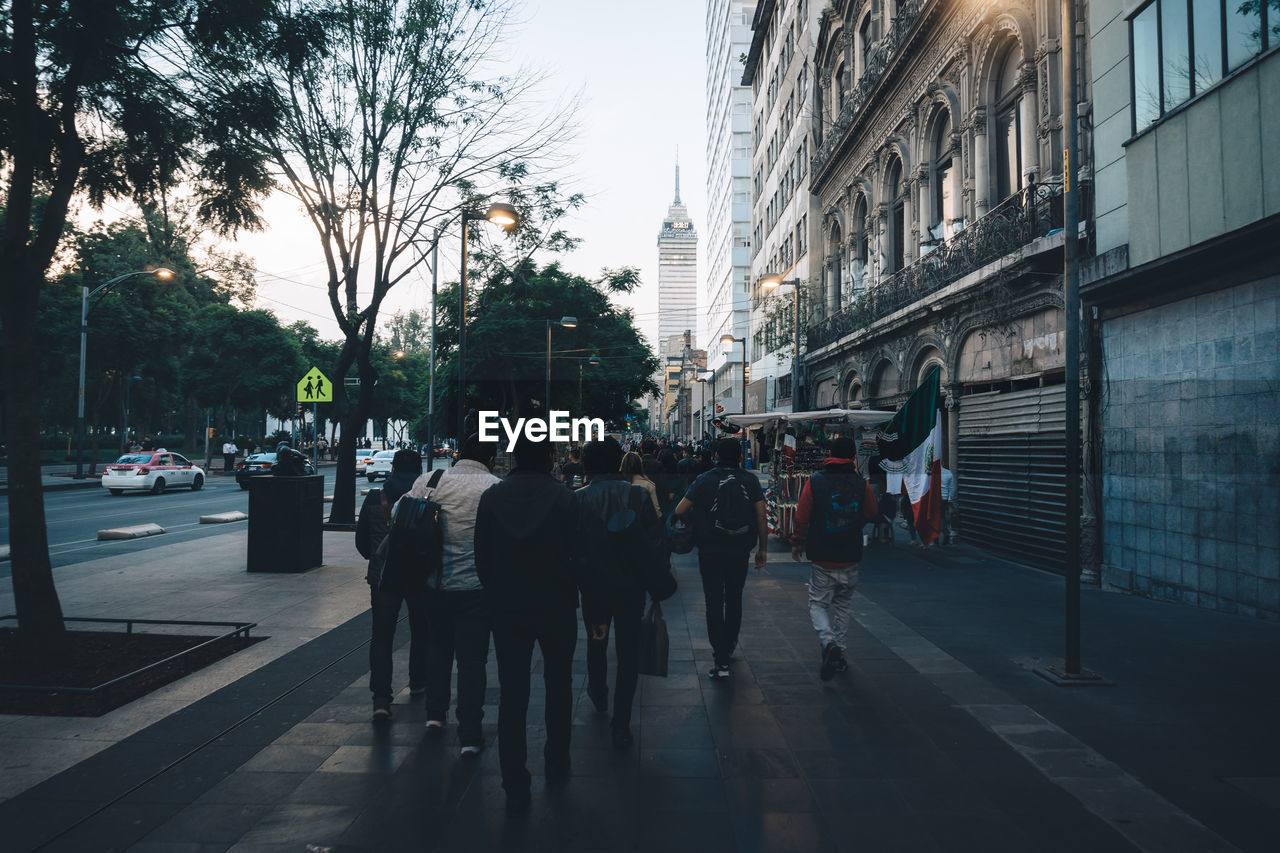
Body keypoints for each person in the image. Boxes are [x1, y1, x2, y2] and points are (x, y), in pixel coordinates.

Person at [475, 434, 588, 813]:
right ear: (549, 458)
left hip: (507, 606)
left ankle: (514, 776)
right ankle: (557, 761)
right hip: (555, 604)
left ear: (513, 459)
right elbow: (579, 553)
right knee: (559, 685)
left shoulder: (493, 496)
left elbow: (482, 554)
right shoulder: (564, 497)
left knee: (512, 693)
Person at [406, 434, 501, 755]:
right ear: (491, 458)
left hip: (435, 583)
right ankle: (470, 734)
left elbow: (399, 518)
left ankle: (435, 714)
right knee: (472, 661)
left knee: (438, 648)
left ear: (460, 453)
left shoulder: (430, 481)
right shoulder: (494, 486)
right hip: (477, 587)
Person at [578, 438, 662, 748]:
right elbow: (655, 540)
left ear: (586, 466)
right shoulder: (638, 496)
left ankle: (599, 693)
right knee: (628, 654)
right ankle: (621, 723)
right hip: (631, 589)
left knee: (596, 642)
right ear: (618, 463)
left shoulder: (577, 499)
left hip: (594, 591)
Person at [673, 438, 768, 680]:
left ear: (716, 456)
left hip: (710, 549)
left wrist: (692, 524)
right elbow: (761, 517)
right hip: (739, 549)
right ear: (739, 458)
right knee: (734, 598)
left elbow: (680, 510)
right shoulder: (750, 480)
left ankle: (721, 658)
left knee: (713, 601)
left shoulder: (705, 479)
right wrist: (763, 548)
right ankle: (730, 643)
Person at [790, 437, 879, 680]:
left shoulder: (816, 481)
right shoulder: (861, 483)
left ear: (830, 453)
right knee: (843, 604)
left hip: (822, 554)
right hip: (850, 553)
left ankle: (828, 642)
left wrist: (797, 542)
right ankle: (839, 651)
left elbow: (802, 516)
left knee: (818, 603)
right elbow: (872, 512)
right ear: (852, 457)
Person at [355, 449, 426, 720]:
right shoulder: (426, 496)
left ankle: (382, 699)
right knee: (422, 630)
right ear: (420, 470)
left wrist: (375, 558)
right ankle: (418, 680)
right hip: (420, 575)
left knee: (382, 636)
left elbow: (362, 540)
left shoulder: (376, 497)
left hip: (384, 577)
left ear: (393, 469)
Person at [620, 451, 660, 517]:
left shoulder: (616, 485)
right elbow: (656, 512)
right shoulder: (648, 485)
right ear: (640, 465)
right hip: (642, 524)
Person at [939, 466, 956, 545]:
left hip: (934, 499)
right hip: (944, 499)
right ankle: (945, 532)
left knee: (936, 517)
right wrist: (950, 499)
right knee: (942, 517)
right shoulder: (948, 472)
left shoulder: (930, 472)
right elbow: (952, 488)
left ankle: (942, 533)